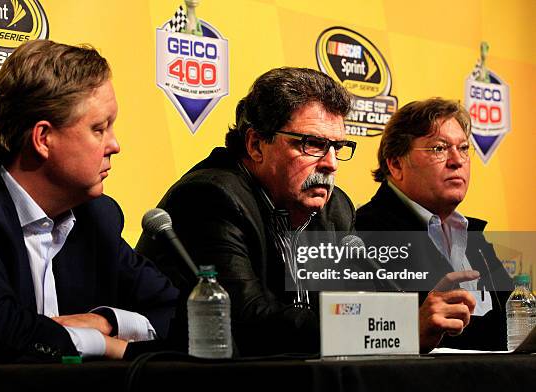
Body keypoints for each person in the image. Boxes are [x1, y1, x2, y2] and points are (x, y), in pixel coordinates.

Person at [0, 40, 178, 364]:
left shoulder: (95, 217)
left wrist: (106, 322)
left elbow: (178, 312)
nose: (115, 145)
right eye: (99, 129)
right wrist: (105, 345)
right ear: (43, 138)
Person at [136, 67, 357, 355]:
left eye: (337, 147)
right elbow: (247, 319)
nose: (331, 163)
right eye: (312, 144)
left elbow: (351, 303)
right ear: (255, 145)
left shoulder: (336, 208)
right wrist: (366, 329)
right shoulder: (209, 196)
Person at [355, 98, 512, 351]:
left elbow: (515, 323)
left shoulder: (473, 235)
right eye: (439, 148)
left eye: (463, 148)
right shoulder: (362, 234)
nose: (457, 160)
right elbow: (365, 337)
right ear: (396, 164)